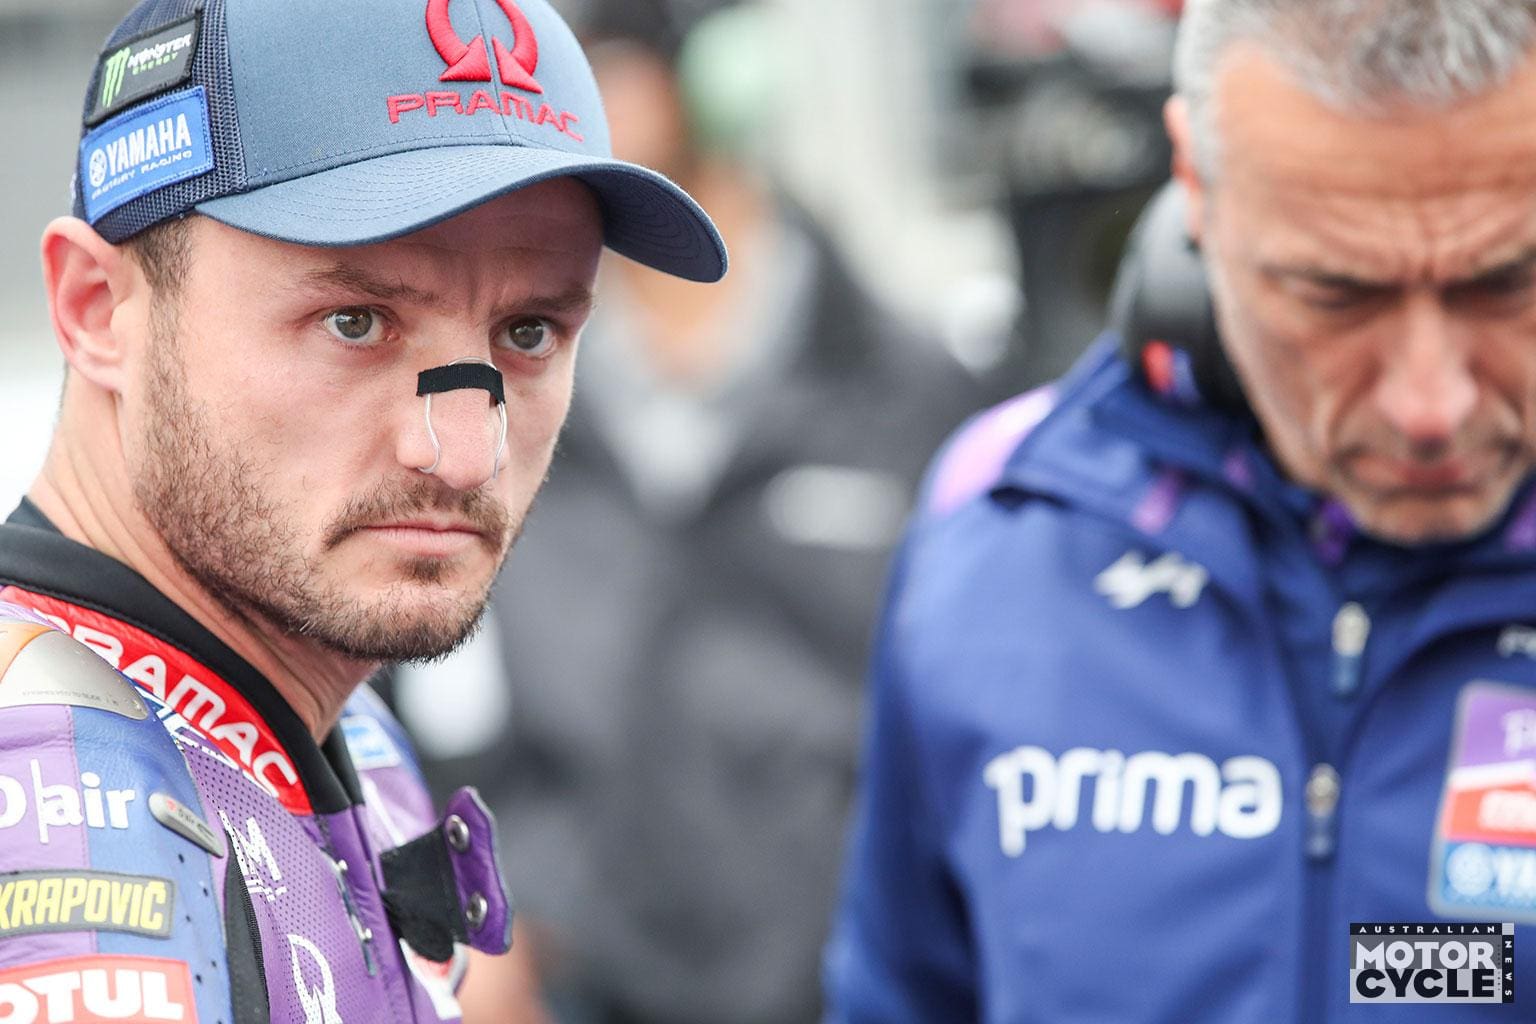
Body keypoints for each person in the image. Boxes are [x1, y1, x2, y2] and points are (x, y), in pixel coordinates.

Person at [0, 0, 723, 1020]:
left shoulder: (344, 728)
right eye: (355, 321)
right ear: (96, 309)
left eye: (528, 332)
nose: (465, 452)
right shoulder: (44, 787)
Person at [825, 0, 1536, 1019]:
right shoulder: (1002, 519)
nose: (1432, 404)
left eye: (1508, 282)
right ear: (1197, 181)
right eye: (1335, 294)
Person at [385, 3, 982, 1023]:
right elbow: (411, 670)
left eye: (617, 64)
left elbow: (969, 696)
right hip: (577, 975)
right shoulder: (493, 391)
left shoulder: (905, 385)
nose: (586, 100)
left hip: (850, 971)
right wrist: (465, 909)